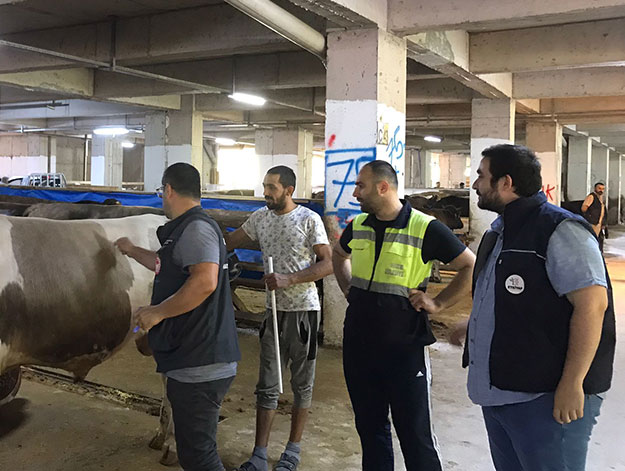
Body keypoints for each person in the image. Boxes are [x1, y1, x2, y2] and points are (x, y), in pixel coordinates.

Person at [456, 144, 615, 471]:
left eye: (481, 176)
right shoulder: (499, 233)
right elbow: (511, 299)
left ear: (505, 183)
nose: (474, 185)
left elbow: (592, 306)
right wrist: (476, 326)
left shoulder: (559, 230)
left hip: (545, 398)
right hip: (501, 391)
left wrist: (573, 383)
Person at [333, 160, 476, 471]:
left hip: (404, 350)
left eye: (361, 186)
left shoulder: (425, 228)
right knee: (370, 431)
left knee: (415, 436)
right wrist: (348, 290)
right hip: (359, 348)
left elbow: (469, 265)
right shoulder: (358, 225)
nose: (355, 193)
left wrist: (438, 304)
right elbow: (338, 254)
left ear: (383, 188)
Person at [114, 163, 241, 471]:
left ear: (169, 190)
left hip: (202, 363)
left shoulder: (196, 228)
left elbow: (205, 281)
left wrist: (157, 312)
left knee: (200, 456)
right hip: (192, 360)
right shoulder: (186, 231)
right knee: (192, 452)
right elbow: (164, 264)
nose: (162, 198)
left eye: (161, 192)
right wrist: (131, 250)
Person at [225, 166, 333, 471]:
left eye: (271, 187)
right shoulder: (260, 218)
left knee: (302, 384)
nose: (265, 192)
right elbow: (231, 242)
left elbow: (328, 264)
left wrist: (289, 279)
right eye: (264, 186)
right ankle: (259, 453)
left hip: (303, 311)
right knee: (268, 384)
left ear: (288, 190)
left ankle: (293, 450)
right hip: (273, 312)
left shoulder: (308, 220)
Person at [581, 182, 607, 251]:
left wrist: (603, 223)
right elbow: (584, 208)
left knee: (599, 239)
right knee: (591, 239)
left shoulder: (601, 198)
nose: (601, 190)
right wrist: (589, 217)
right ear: (595, 188)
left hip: (599, 223)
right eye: (599, 188)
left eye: (603, 189)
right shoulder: (591, 197)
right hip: (592, 223)